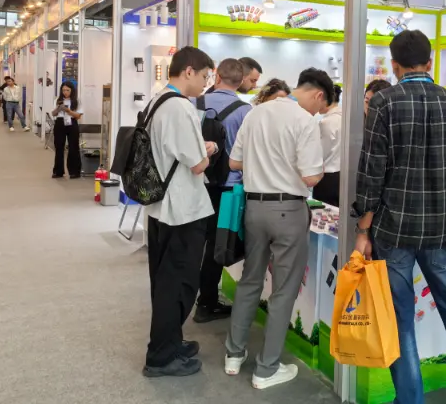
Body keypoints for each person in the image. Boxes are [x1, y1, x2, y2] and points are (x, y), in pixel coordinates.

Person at [354, 30, 446, 404]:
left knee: (400, 322)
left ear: (394, 65)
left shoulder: (383, 102)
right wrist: (445, 194)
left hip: (393, 230)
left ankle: (410, 400)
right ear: (430, 62)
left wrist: (363, 228)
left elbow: (371, 171)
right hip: (442, 230)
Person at [224, 67, 333, 389]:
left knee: (250, 280)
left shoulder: (256, 113)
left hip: (254, 208)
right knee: (283, 291)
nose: (318, 112)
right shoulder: (304, 120)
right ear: (318, 95)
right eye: (320, 106)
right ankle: (266, 369)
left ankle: (233, 354)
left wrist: (264, 163)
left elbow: (234, 163)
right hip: (288, 209)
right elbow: (311, 177)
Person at [142, 46, 218, 378]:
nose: (205, 83)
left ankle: (171, 342)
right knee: (178, 285)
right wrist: (211, 148)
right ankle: (161, 357)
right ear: (188, 71)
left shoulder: (156, 101)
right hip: (182, 210)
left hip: (161, 207)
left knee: (164, 281)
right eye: (204, 76)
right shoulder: (180, 107)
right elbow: (197, 164)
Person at [192, 58, 252, 325]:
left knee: (194, 241)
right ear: (241, 81)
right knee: (219, 245)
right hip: (228, 188)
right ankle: (206, 302)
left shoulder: (195, 103)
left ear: (216, 77)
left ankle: (188, 298)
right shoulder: (246, 111)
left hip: (196, 182)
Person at [313, 84, 342, 205]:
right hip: (342, 176)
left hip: (327, 178)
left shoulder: (326, 123)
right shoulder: (346, 118)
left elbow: (319, 154)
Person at [51, 82, 83, 178]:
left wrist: (69, 111)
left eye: (67, 90)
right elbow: (53, 113)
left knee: (73, 146)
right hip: (60, 122)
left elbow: (78, 116)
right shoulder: (58, 100)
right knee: (59, 147)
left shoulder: (77, 101)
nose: (65, 92)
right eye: (63, 90)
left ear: (72, 90)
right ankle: (58, 171)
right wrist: (58, 108)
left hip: (72, 122)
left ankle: (74, 171)